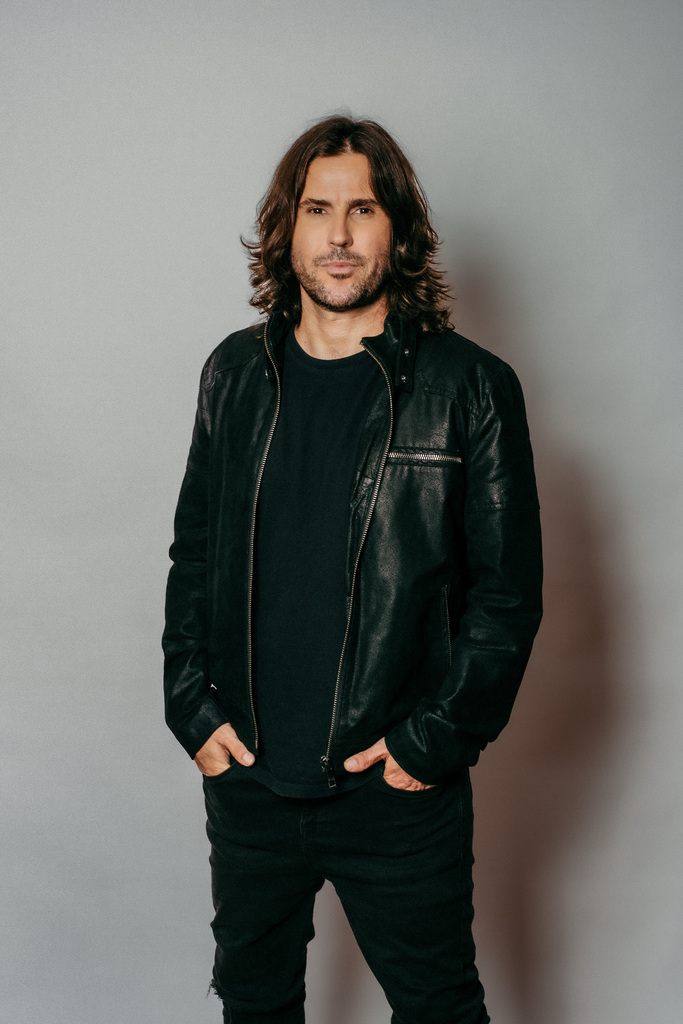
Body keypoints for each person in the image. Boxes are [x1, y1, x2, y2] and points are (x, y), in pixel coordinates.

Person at [162, 114, 543, 1024]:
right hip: (250, 776)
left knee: (438, 1007)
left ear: (396, 229)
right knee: (253, 1006)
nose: (337, 235)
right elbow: (195, 552)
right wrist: (191, 708)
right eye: (316, 209)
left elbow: (506, 596)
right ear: (285, 227)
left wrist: (432, 743)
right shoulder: (234, 374)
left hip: (393, 791)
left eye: (362, 209)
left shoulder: (470, 388)